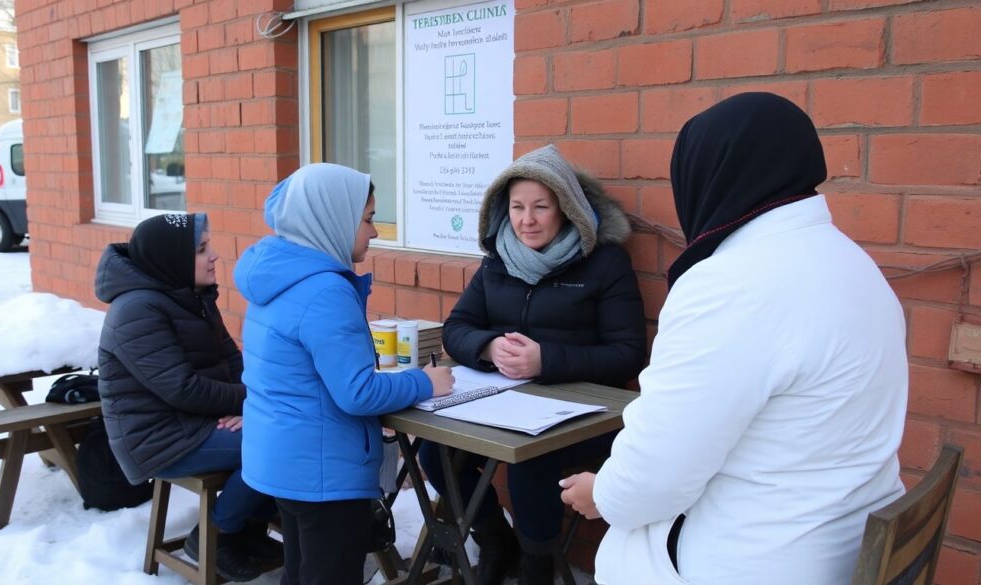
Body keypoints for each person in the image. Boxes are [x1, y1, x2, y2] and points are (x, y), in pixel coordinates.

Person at [560, 93, 909, 585]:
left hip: (756, 558)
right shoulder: (853, 263)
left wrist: (603, 494)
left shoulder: (729, 285)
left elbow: (657, 474)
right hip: (840, 541)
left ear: (708, 177)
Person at [421, 144, 647, 585]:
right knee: (433, 452)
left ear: (567, 208)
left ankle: (537, 562)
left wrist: (546, 359)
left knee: (529, 461)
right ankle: (493, 539)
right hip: (504, 403)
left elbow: (627, 352)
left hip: (586, 413)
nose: (527, 220)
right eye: (517, 207)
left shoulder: (605, 262)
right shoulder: (497, 259)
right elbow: (457, 328)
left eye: (541, 207)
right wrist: (487, 348)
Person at [234, 163, 455, 585]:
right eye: (368, 218)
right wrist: (427, 381)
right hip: (323, 471)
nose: (375, 231)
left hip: (284, 459)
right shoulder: (325, 290)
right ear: (330, 217)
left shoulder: (277, 274)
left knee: (300, 573)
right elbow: (357, 392)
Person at [95, 213, 281, 583]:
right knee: (276, 442)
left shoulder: (190, 295)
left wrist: (253, 404)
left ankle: (250, 534)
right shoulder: (136, 311)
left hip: (198, 420)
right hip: (159, 437)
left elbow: (231, 359)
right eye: (201, 249)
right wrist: (254, 404)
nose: (214, 256)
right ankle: (216, 533)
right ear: (170, 259)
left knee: (277, 430)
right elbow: (182, 388)